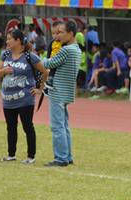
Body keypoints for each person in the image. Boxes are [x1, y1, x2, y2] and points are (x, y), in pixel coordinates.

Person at [0, 28, 48, 164]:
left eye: (9, 39)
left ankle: (31, 156)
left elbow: (45, 70)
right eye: (6, 39)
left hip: (25, 99)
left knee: (27, 126)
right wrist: (3, 71)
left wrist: (40, 89)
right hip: (8, 99)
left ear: (18, 41)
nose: (7, 42)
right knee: (10, 127)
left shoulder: (30, 56)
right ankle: (11, 154)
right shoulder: (5, 54)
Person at [41, 20, 81, 166]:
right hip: (67, 92)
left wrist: (44, 58)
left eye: (61, 32)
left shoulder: (66, 50)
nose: (59, 35)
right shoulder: (77, 49)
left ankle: (61, 158)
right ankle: (67, 156)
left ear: (70, 34)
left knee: (57, 126)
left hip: (57, 92)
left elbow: (47, 64)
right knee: (64, 125)